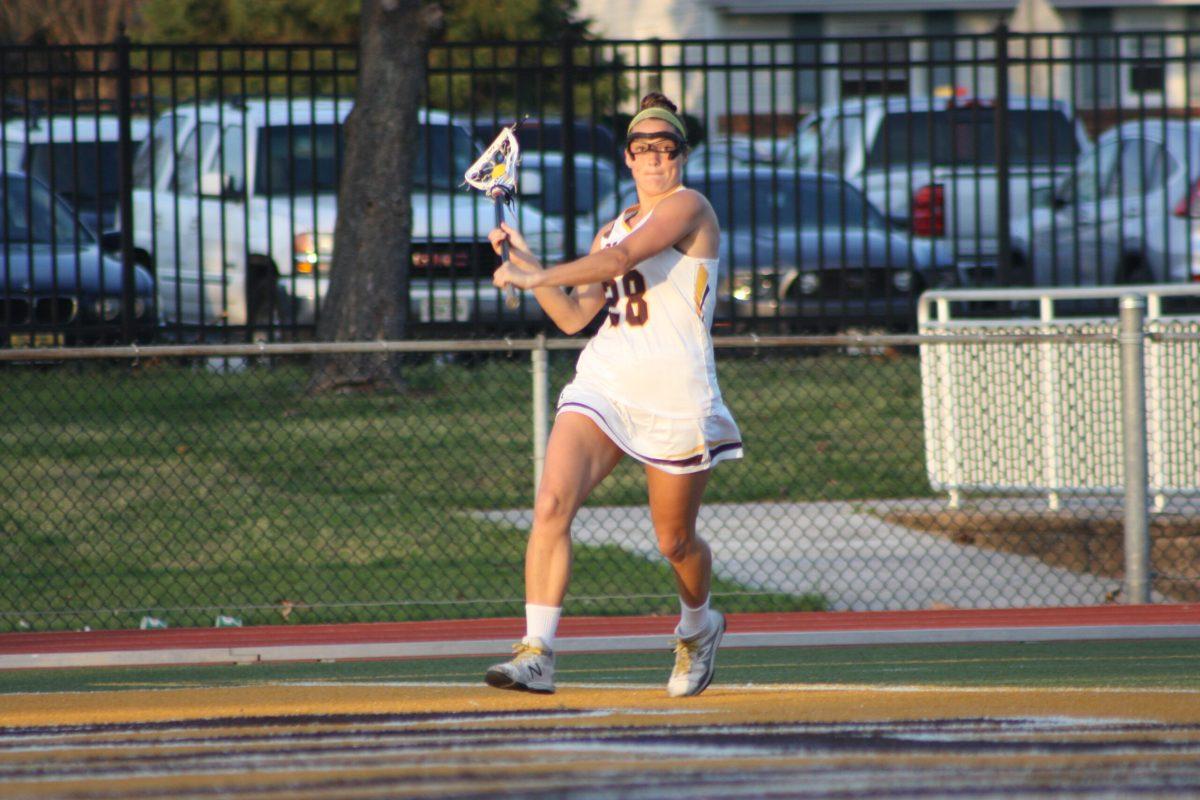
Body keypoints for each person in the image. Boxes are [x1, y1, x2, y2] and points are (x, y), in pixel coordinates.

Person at [483, 92, 743, 698]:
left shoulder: (689, 207)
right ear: (627, 157)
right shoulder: (613, 223)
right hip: (607, 380)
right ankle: (536, 651)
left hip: (676, 393)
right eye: (642, 147)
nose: (655, 156)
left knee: (674, 542)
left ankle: (699, 626)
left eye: (666, 146)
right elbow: (575, 319)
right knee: (551, 504)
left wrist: (534, 275)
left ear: (682, 155)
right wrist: (524, 257)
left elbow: (622, 260)